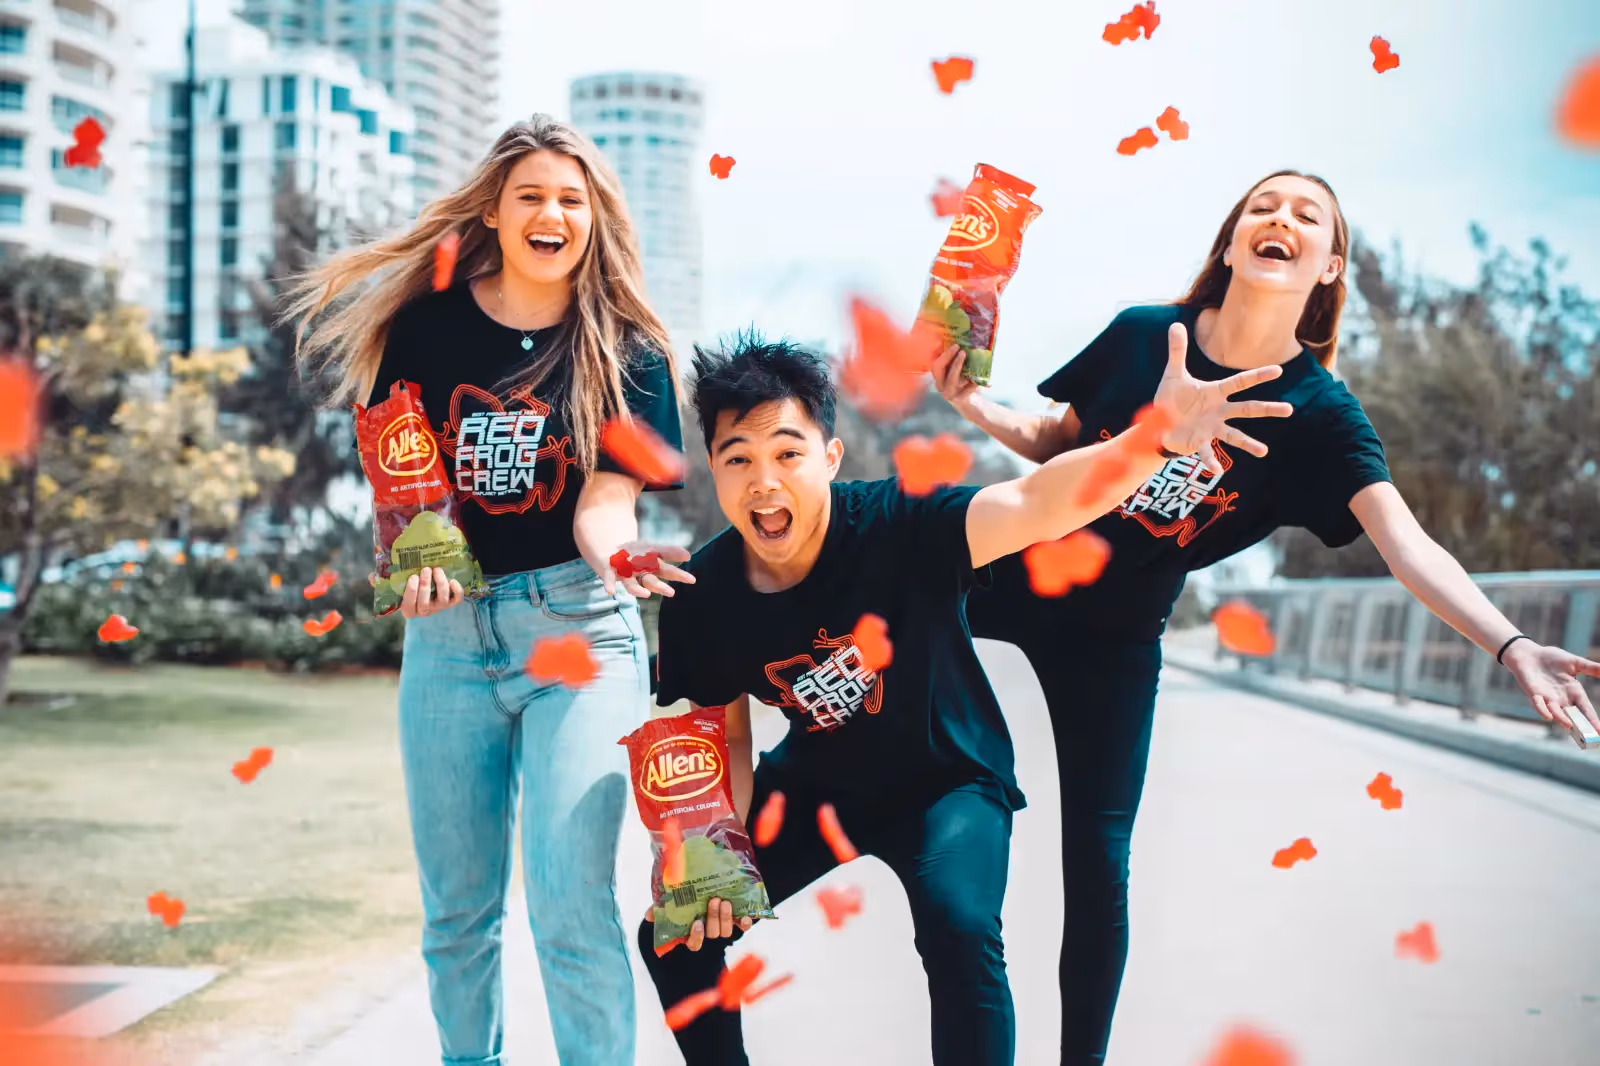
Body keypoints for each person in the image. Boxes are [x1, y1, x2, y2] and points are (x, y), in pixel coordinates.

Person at [931, 169, 1600, 1065]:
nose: (1279, 219)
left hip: (1115, 640)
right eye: (1262, 207)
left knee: (1099, 866)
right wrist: (973, 405)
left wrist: (1510, 643)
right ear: (1234, 239)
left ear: (1328, 265)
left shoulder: (1321, 417)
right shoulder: (1144, 336)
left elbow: (1409, 546)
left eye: (1306, 216)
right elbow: (1054, 446)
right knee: (879, 612)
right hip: (1012, 574)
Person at [639, 330, 1293, 1066]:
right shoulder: (703, 598)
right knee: (677, 934)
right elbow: (723, 739)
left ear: (828, 458)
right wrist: (711, 861)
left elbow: (1036, 500)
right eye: (739, 459)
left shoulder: (900, 526)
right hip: (817, 788)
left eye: (788, 454)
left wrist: (1153, 440)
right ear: (714, 472)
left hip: (945, 778)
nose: (765, 481)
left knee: (959, 925)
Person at [287, 115, 693, 1066]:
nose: (552, 213)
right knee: (457, 916)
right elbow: (411, 490)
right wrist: (419, 559)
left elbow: (605, 503)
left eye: (571, 198)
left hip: (580, 631)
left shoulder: (625, 351)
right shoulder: (428, 329)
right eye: (531, 196)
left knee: (568, 904)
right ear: (497, 213)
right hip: (450, 643)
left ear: (594, 217)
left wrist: (620, 559)